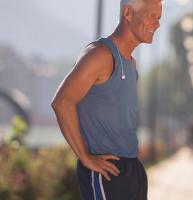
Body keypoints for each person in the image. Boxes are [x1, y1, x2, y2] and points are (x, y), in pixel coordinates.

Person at [51, 0, 162, 199]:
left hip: (131, 169)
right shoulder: (100, 55)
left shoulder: (130, 63)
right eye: (151, 16)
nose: (157, 24)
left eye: (159, 18)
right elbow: (62, 102)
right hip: (107, 172)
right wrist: (84, 156)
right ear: (128, 13)